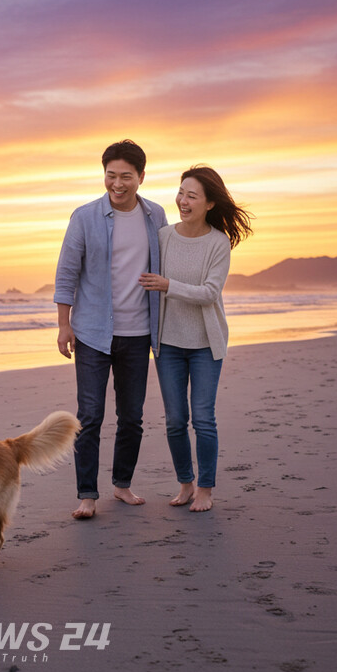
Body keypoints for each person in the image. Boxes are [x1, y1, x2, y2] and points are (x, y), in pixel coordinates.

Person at [54, 140, 168, 519]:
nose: (117, 184)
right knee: (89, 415)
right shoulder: (85, 217)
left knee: (131, 417)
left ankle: (121, 486)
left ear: (141, 177)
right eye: (110, 175)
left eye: (125, 176)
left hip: (138, 334)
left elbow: (167, 266)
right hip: (92, 334)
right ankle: (87, 494)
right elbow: (66, 274)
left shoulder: (156, 216)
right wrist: (63, 326)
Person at [138, 165, 252, 512]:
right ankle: (185, 484)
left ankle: (206, 489)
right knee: (174, 421)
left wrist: (169, 285)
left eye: (192, 196)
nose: (182, 201)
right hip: (168, 344)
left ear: (209, 204)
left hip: (206, 344)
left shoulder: (218, 243)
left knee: (203, 418)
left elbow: (208, 293)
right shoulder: (163, 236)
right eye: (181, 192)